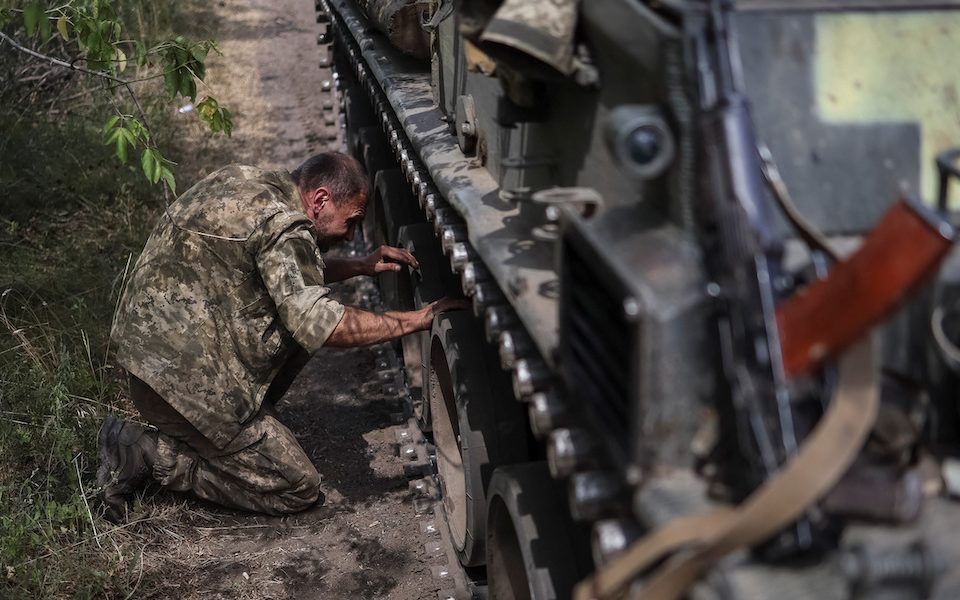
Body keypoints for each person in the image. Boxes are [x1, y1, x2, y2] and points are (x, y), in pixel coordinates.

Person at [98, 152, 465, 522]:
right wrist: (418, 319)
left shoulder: (249, 182)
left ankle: (233, 435)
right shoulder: (283, 224)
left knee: (296, 314)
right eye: (351, 222)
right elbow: (322, 323)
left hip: (154, 354)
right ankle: (145, 452)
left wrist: (360, 266)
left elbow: (286, 272)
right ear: (320, 200)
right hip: (178, 384)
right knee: (297, 486)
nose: (350, 235)